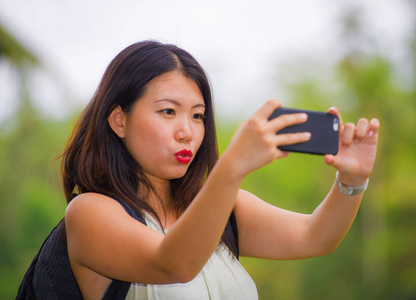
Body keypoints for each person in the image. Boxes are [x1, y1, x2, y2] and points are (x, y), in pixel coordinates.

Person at [61, 40, 379, 299]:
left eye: (198, 116)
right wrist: (230, 169)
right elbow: (173, 264)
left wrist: (352, 180)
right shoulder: (90, 212)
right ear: (119, 120)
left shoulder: (226, 207)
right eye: (168, 111)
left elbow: (315, 237)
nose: (187, 131)